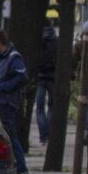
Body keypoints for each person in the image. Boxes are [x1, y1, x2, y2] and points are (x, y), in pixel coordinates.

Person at [0, 28, 29, 174]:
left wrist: (4, 88)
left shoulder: (13, 58)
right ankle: (10, 168)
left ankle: (22, 170)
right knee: (2, 137)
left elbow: (22, 77)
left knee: (10, 136)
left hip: (5, 103)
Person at [34, 14, 59, 145]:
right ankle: (48, 133)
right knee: (52, 106)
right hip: (53, 77)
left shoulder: (37, 40)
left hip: (39, 76)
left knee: (39, 107)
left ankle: (43, 136)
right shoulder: (56, 40)